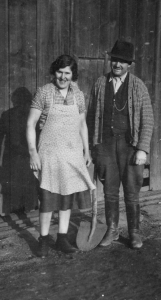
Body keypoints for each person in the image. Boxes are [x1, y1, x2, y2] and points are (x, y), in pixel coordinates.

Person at [87, 40, 154, 249]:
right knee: (109, 191)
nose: (117, 64)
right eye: (115, 60)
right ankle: (112, 230)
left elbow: (148, 119)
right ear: (110, 61)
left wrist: (142, 148)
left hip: (130, 146)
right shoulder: (99, 83)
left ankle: (134, 232)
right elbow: (91, 117)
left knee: (132, 192)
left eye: (123, 62)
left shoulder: (138, 86)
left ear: (130, 64)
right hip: (105, 146)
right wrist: (93, 146)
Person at [26, 54, 95, 258]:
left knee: (66, 198)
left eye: (67, 73)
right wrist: (32, 153)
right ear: (53, 72)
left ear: (73, 75)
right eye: (59, 72)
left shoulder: (78, 95)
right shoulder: (44, 93)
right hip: (48, 154)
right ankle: (44, 239)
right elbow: (30, 124)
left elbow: (82, 124)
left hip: (72, 153)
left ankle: (62, 238)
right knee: (47, 200)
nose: (63, 77)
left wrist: (87, 151)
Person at [0, 87, 38, 215]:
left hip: (11, 159)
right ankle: (30, 216)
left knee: (13, 192)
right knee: (30, 190)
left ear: (14, 100)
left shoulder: (6, 115)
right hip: (29, 158)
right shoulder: (33, 115)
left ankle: (14, 216)